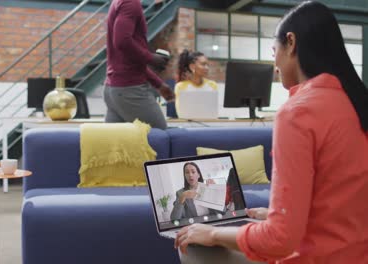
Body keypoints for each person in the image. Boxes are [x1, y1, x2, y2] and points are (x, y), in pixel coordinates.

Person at [174, 1, 368, 264]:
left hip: (316, 257)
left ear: (291, 42)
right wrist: (282, 215)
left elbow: (279, 239)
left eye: (274, 50)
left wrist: (214, 233)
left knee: (194, 245)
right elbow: (342, 202)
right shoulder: (355, 104)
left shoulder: (298, 113)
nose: (274, 63)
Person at [103, 0, 175, 130]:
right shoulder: (131, 3)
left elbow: (129, 59)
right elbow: (122, 41)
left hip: (113, 90)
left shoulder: (119, 2)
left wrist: (158, 84)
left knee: (118, 147)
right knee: (160, 138)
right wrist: (151, 58)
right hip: (130, 91)